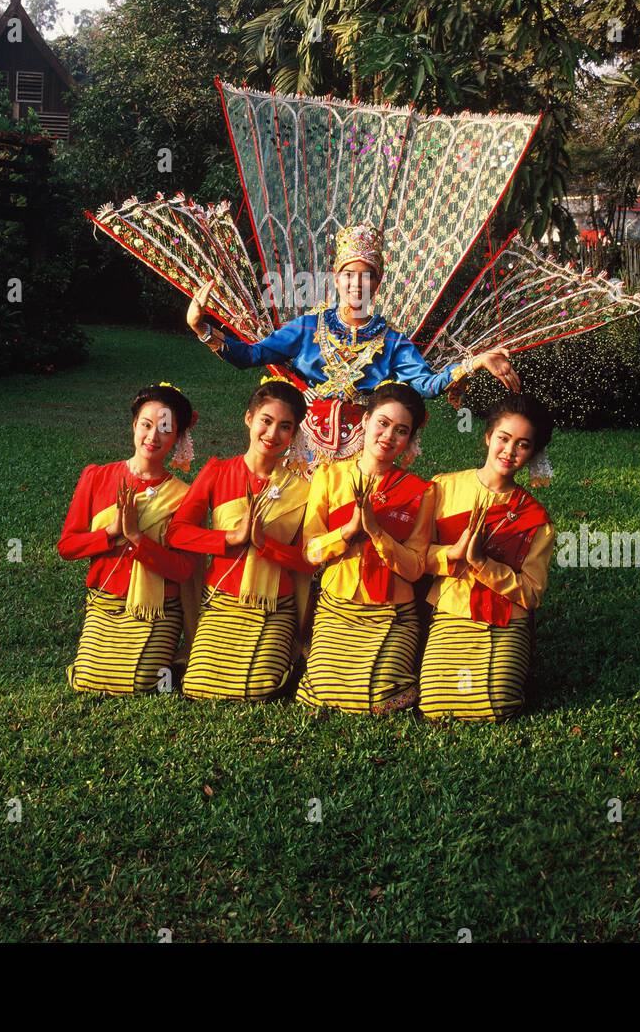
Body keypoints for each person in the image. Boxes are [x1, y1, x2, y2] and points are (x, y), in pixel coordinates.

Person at [185, 222, 520, 466]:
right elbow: (251, 355)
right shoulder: (306, 328)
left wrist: (474, 362)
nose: (356, 284)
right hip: (304, 444)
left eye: (366, 276)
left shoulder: (391, 342)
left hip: (363, 449)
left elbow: (427, 384)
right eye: (349, 275)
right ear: (336, 278)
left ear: (377, 283)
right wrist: (201, 328)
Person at [167, 378, 312, 701]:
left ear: (294, 434)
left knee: (260, 690)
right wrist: (230, 537)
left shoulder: (303, 490)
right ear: (249, 419)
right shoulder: (218, 471)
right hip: (222, 599)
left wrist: (266, 545)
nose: (273, 434)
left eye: (285, 427)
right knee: (199, 687)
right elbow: (178, 533)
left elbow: (308, 559)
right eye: (266, 421)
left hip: (274, 604)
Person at [298, 382, 434, 713]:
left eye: (401, 431)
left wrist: (377, 533)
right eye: (383, 423)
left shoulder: (421, 491)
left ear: (409, 440)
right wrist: (346, 533)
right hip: (337, 605)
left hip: (392, 611)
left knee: (380, 700)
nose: (388, 436)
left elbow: (416, 567)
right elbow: (310, 552)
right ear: (365, 421)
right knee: (322, 694)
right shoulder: (329, 476)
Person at [418, 393, 556, 722]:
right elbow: (417, 557)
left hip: (505, 621)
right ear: (487, 437)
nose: (509, 452)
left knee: (497, 704)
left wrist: (483, 564)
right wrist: (451, 554)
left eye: (522, 445)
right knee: (435, 706)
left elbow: (532, 593)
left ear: (532, 452)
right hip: (451, 612)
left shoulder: (535, 518)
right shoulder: (443, 489)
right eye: (503, 439)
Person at [59, 383, 198, 695]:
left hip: (158, 607)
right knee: (87, 681)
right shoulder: (97, 477)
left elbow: (183, 569)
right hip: (105, 601)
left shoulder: (185, 497)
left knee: (141, 684)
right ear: (134, 425)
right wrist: (111, 533)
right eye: (146, 425)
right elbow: (68, 546)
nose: (152, 437)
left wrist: (137, 538)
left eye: (164, 429)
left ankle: (176, 662)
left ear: (177, 437)